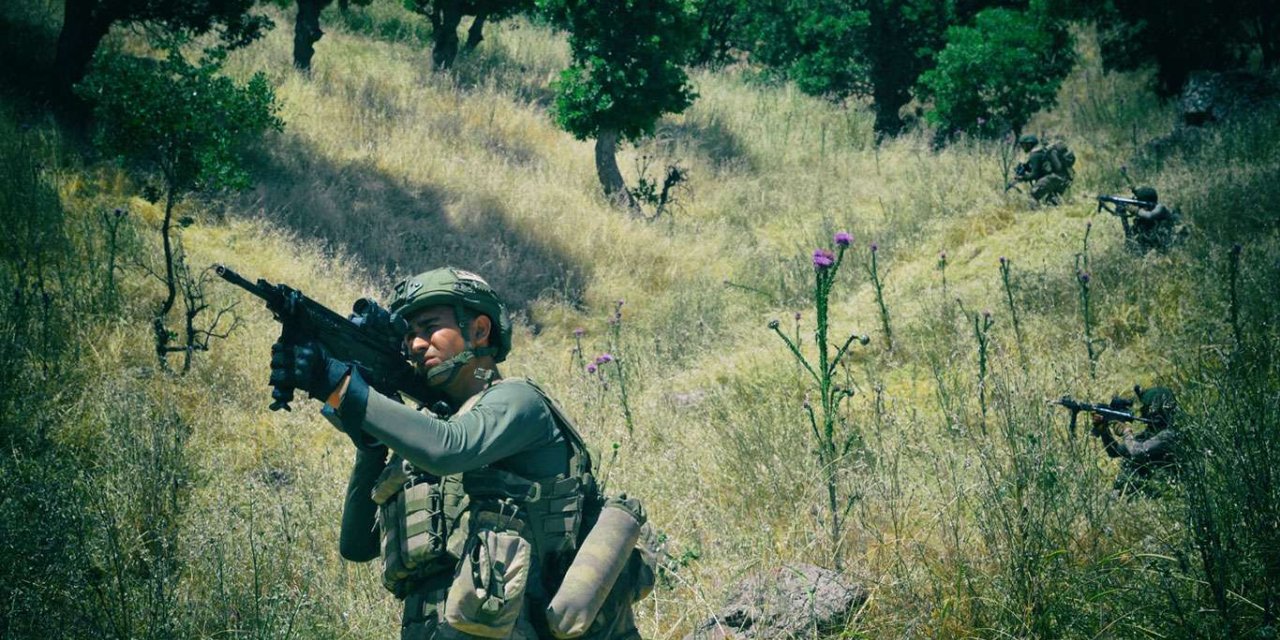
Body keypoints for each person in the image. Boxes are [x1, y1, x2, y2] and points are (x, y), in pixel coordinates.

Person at [269, 267, 654, 639]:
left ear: (480, 330)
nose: (415, 345)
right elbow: (356, 547)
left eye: (430, 327)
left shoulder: (517, 402)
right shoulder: (433, 430)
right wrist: (369, 448)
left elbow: (449, 448)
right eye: (408, 336)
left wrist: (340, 385)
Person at [1091, 386, 1180, 495]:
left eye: (1147, 407)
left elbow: (1137, 452)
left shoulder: (1168, 435)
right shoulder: (1149, 434)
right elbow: (1115, 451)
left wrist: (1126, 432)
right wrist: (1104, 430)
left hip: (1163, 493)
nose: (1143, 411)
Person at [1011, 134, 1074, 205]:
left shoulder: (1034, 154)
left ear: (1029, 144)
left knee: (1032, 196)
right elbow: (1042, 168)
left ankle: (1035, 215)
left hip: (1053, 178)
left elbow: (1034, 174)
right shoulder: (1042, 150)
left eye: (1024, 145)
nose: (1023, 148)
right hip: (1065, 178)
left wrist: (1023, 177)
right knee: (1052, 202)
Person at [1125, 186, 1182, 253]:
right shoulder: (1143, 215)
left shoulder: (1160, 208)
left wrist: (1136, 210)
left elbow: (1150, 216)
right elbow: (1130, 238)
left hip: (1167, 246)